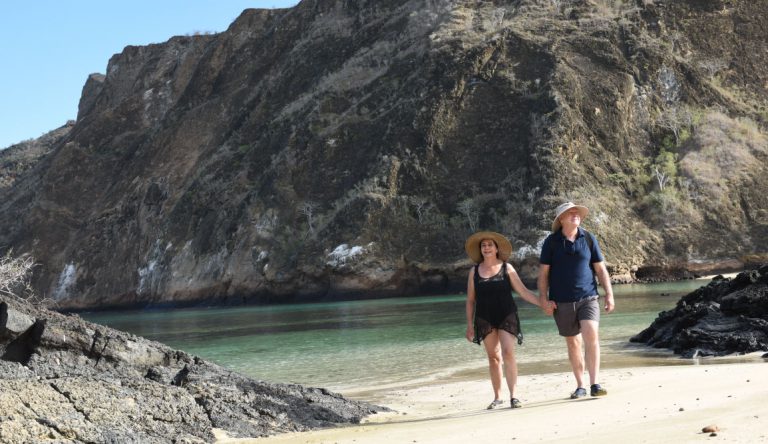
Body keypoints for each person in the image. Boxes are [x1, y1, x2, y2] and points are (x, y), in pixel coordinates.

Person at [537, 202, 615, 399]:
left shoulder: (588, 238)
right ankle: (580, 385)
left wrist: (609, 294)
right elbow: (543, 274)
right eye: (570, 213)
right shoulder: (551, 242)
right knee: (573, 343)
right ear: (561, 219)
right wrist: (543, 300)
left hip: (588, 297)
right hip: (561, 301)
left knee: (591, 336)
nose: (575, 215)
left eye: (577, 212)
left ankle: (595, 383)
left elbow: (600, 269)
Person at [464, 231, 544, 409]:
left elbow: (523, 292)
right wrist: (469, 325)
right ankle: (497, 397)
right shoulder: (474, 271)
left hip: (506, 313)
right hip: (484, 316)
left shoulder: (507, 268)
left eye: (489, 245)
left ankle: (514, 396)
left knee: (508, 352)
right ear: (481, 250)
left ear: (496, 248)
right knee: (493, 357)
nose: (486, 248)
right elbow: (470, 300)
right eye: (483, 245)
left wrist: (542, 303)